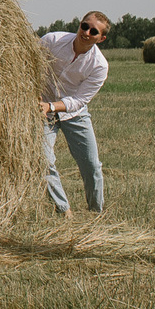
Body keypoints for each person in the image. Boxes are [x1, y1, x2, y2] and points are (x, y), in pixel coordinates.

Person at [39, 12, 110, 215]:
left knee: (91, 165)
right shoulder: (53, 40)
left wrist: (51, 106)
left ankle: (95, 212)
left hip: (74, 113)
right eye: (84, 26)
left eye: (93, 31)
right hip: (42, 110)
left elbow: (79, 100)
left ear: (101, 38)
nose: (86, 33)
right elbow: (29, 64)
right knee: (42, 160)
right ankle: (64, 211)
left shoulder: (99, 65)